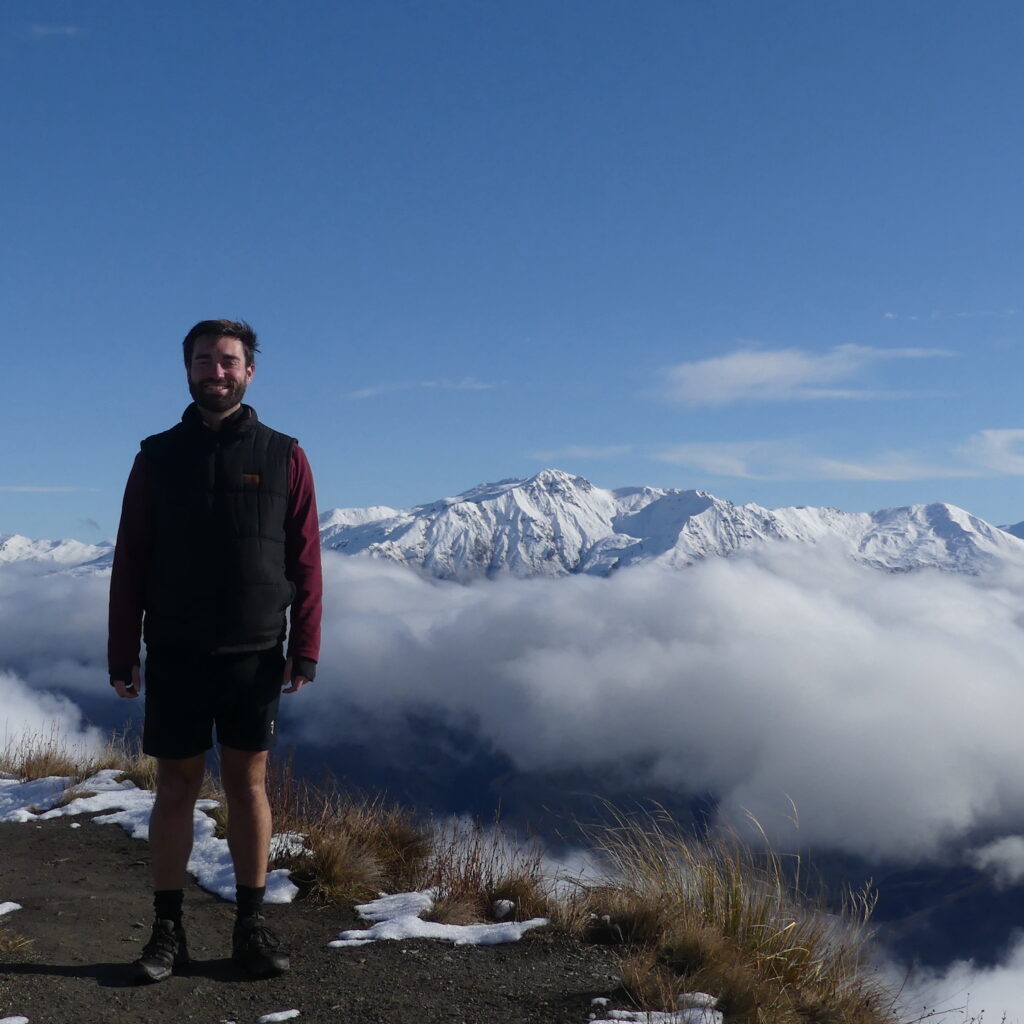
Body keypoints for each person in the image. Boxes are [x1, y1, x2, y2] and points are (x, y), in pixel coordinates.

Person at [108, 319, 322, 984]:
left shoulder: (284, 454)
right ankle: (167, 931)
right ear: (188, 370)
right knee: (175, 788)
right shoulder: (156, 457)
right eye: (205, 361)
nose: (217, 372)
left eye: (228, 361)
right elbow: (131, 559)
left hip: (255, 652)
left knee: (247, 786)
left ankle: (249, 927)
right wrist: (123, 651)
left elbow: (306, 557)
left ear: (250, 370)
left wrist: (305, 647)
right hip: (174, 649)